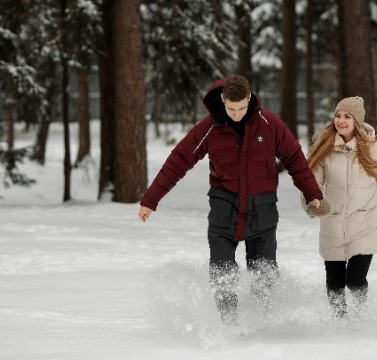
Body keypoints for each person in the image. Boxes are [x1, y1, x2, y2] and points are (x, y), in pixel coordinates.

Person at [138, 75, 324, 324]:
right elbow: (179, 161)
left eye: (241, 108)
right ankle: (229, 325)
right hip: (224, 213)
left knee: (264, 277)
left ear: (249, 98)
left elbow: (295, 160)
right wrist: (151, 199)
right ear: (223, 100)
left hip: (262, 212)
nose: (236, 114)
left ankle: (262, 326)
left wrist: (313, 195)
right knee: (222, 274)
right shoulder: (210, 128)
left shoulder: (269, 124)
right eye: (231, 108)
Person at [303, 96, 377, 317]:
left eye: (347, 116)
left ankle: (361, 317)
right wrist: (314, 205)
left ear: (357, 121)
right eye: (338, 115)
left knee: (354, 280)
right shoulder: (324, 149)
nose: (341, 121)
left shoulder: (374, 150)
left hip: (365, 223)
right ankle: (340, 324)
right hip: (333, 224)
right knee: (334, 285)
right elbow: (309, 184)